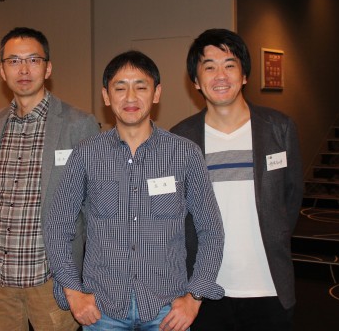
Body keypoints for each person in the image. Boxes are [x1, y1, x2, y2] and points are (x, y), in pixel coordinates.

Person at [44, 50, 225, 331]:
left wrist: (195, 297)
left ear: (156, 93)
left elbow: (211, 230)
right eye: (120, 88)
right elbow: (57, 226)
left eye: (141, 87)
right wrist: (72, 291)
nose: (130, 97)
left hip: (168, 310)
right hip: (102, 311)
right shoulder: (86, 154)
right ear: (106, 96)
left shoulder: (184, 154)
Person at [170, 28, 303, 330]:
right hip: (204, 291)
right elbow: (175, 214)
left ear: (244, 75)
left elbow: (291, 197)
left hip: (268, 287)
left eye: (229, 65)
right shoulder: (180, 139)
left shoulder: (278, 129)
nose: (220, 75)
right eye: (209, 67)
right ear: (195, 81)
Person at [0, 27, 100, 331]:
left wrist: (90, 279)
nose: (24, 69)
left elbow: (95, 207)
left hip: (51, 279)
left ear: (48, 68)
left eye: (33, 60)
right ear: (2, 71)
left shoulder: (79, 124)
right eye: (14, 61)